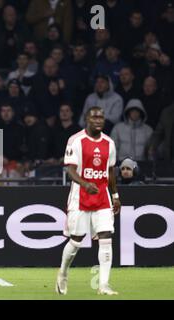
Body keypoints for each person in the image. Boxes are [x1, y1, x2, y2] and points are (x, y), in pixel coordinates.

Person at [57, 106, 121, 296]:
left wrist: (115, 195)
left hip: (102, 196)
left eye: (101, 117)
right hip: (80, 196)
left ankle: (104, 285)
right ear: (87, 119)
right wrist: (85, 184)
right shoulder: (75, 140)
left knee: (106, 238)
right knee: (76, 240)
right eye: (94, 117)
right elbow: (70, 170)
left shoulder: (109, 143)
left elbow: (110, 171)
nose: (98, 120)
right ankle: (62, 273)